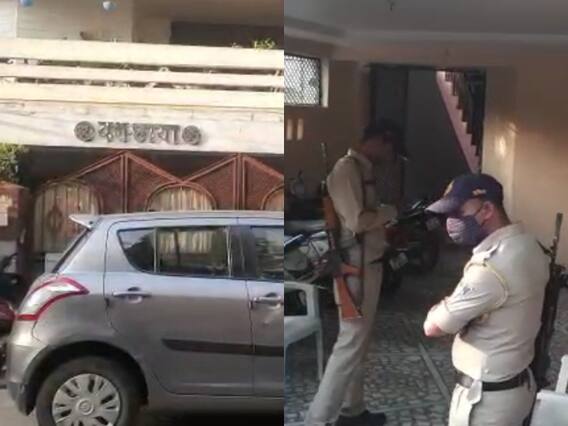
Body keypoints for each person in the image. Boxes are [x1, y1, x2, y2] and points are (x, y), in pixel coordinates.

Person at [423, 173, 549, 426]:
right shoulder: (529, 245)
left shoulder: (491, 268)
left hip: (485, 403)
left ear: (488, 209)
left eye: (459, 212)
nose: (451, 222)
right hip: (517, 387)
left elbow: (433, 326)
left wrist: (443, 304)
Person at [304, 120, 399, 426]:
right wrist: (389, 212)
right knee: (350, 343)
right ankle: (318, 419)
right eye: (391, 148)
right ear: (381, 140)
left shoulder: (362, 169)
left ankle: (352, 410)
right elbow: (357, 221)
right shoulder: (347, 170)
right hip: (355, 267)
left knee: (359, 342)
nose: (391, 155)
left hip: (368, 263)